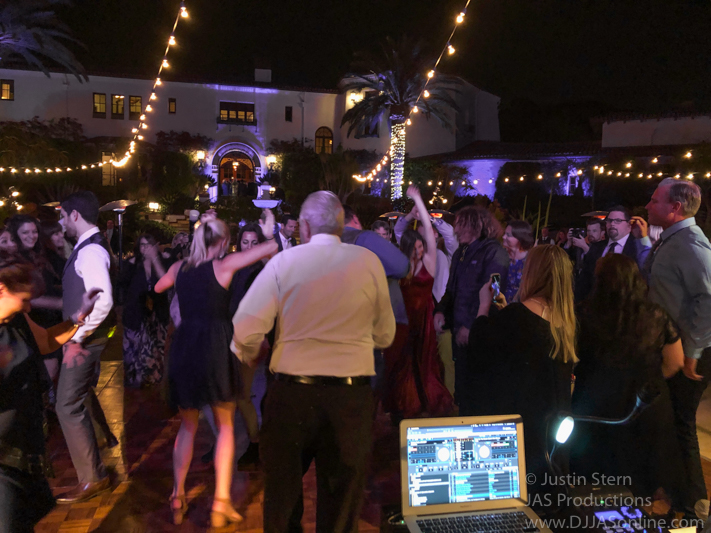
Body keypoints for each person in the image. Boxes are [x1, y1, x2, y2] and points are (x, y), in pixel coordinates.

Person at [232, 191, 395, 533]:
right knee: (341, 509)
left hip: (292, 395)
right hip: (349, 398)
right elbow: (385, 335)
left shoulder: (284, 262)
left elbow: (245, 328)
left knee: (282, 501)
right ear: (341, 225)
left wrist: (249, 352)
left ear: (304, 227)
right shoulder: (368, 263)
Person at [155, 211, 277, 527]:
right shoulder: (224, 265)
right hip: (215, 348)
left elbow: (158, 287)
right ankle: (220, 503)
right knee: (224, 426)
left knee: (187, 426)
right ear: (223, 242)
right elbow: (270, 249)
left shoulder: (180, 268)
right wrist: (267, 232)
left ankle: (177, 495)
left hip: (185, 346)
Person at [570, 254, 684, 504]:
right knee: (637, 489)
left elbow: (570, 357)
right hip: (641, 409)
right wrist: (650, 380)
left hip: (595, 408)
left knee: (591, 485)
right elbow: (676, 362)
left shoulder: (583, 313)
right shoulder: (657, 315)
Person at [0, 255, 102, 531]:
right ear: (1, 289)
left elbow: (45, 341)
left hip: (23, 446)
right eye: (25, 299)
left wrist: (78, 317)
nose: (29, 306)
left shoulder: (16, 319)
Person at [468, 245, 576, 496]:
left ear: (533, 273)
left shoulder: (517, 316)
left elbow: (480, 348)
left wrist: (484, 306)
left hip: (521, 426)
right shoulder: (565, 318)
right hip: (553, 426)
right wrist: (506, 310)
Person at [644, 178, 711, 518]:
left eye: (654, 200)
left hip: (687, 353)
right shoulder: (673, 239)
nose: (647, 205)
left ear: (675, 207)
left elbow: (708, 298)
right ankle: (677, 498)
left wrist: (692, 353)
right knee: (668, 421)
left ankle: (695, 505)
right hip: (674, 347)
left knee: (681, 425)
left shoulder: (691, 243)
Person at [55, 191, 116, 503]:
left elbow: (102, 300)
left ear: (75, 215)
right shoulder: (90, 246)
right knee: (78, 399)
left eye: (63, 216)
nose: (60, 222)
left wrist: (77, 339)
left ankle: (93, 478)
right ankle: (96, 463)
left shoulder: (90, 251)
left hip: (85, 342)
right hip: (85, 339)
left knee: (67, 405)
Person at [383, 186, 452, 419]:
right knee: (402, 362)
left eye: (422, 246)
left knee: (424, 362)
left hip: (423, 318)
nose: (420, 251)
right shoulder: (400, 266)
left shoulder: (430, 261)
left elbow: (429, 229)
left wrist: (418, 200)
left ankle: (424, 401)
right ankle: (404, 402)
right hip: (403, 319)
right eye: (416, 248)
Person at [434, 206, 509, 408]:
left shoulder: (495, 252)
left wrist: (471, 326)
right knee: (462, 390)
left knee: (479, 391)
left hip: (482, 334)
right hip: (460, 332)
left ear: (476, 225)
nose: (456, 230)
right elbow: (451, 289)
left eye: (461, 225)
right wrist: (440, 310)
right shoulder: (461, 252)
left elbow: (495, 292)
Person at [342, 206, 409, 401]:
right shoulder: (364, 238)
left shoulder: (322, 243)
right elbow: (402, 266)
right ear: (355, 219)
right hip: (369, 322)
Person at [120, 234, 169, 388]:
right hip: (135, 313)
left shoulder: (163, 262)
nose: (145, 248)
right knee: (133, 350)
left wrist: (155, 259)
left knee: (155, 351)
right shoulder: (132, 264)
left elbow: (166, 282)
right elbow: (122, 286)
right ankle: (134, 380)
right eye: (142, 245)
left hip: (156, 315)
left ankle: (152, 380)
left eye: (148, 245)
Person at [575, 206, 651, 302]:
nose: (612, 224)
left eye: (618, 220)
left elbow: (646, 273)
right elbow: (584, 281)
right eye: (609, 221)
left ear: (629, 225)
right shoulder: (596, 247)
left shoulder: (637, 248)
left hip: (626, 305)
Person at [502, 220, 534, 302]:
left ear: (520, 238)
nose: (503, 237)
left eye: (508, 235)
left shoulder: (531, 259)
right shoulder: (500, 255)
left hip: (521, 304)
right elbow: (494, 279)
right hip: (500, 303)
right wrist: (496, 300)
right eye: (504, 234)